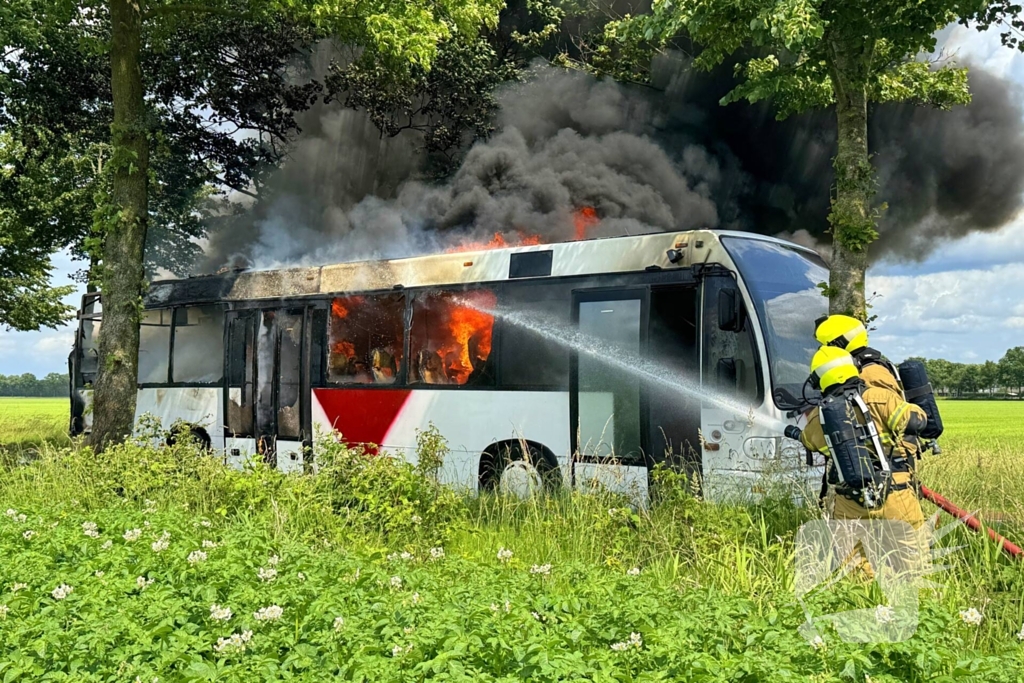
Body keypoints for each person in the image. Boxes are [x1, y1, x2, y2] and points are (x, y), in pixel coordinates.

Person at [794, 347, 927, 529]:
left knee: (852, 556)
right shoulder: (880, 397)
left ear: (818, 380)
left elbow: (808, 441)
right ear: (855, 367)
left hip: (850, 502)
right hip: (897, 494)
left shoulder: (820, 417)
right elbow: (917, 420)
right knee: (910, 555)